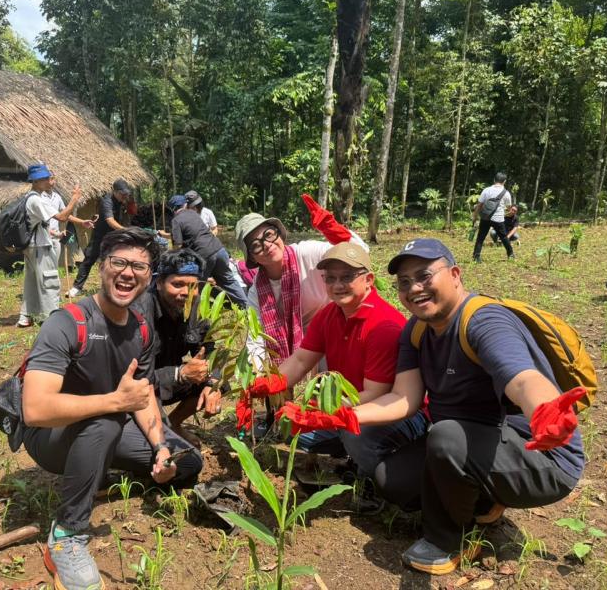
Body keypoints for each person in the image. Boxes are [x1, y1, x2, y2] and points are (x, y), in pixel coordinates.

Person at [351, 238, 584, 575]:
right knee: (392, 479)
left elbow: (523, 380)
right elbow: (404, 398)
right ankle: (485, 501)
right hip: (476, 443)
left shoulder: (484, 321)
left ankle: (447, 541)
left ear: (455, 274)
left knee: (445, 437)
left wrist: (546, 410)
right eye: (404, 282)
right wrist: (342, 416)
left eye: (424, 276)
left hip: (542, 456)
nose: (414, 288)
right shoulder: (417, 329)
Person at [21, 227, 203, 590]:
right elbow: (35, 410)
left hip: (106, 426)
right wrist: (114, 402)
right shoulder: (68, 322)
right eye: (119, 262)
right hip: (50, 437)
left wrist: (161, 447)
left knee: (187, 462)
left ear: (149, 276)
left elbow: (143, 395)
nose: (128, 273)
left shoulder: (141, 330)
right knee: (105, 420)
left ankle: (96, 469)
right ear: (102, 266)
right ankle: (67, 535)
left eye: (139, 266)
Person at [249, 242, 428, 483]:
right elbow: (301, 360)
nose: (337, 285)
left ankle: (376, 479)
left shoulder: (383, 325)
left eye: (346, 277)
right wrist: (268, 384)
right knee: (289, 426)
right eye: (330, 278)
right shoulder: (329, 314)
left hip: (396, 413)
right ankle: (352, 452)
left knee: (355, 434)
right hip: (350, 406)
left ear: (368, 279)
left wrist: (322, 412)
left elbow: (375, 394)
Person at [235, 197, 367, 441]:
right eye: (256, 245)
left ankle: (338, 422)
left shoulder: (307, 253)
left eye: (269, 235)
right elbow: (256, 338)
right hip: (303, 342)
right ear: (252, 257)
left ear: (279, 234)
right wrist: (252, 382)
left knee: (333, 377)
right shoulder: (257, 291)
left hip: (334, 325)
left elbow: (358, 253)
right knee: (268, 360)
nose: (266, 245)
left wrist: (333, 229)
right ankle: (279, 416)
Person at [134, 249, 225, 447]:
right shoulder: (139, 313)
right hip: (142, 387)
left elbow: (209, 348)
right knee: (163, 448)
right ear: (159, 283)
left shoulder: (196, 305)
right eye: (177, 284)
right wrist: (180, 373)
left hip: (172, 380)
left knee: (217, 381)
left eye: (193, 286)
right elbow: (135, 378)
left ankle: (174, 423)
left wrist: (212, 383)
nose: (186, 292)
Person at [17, 164, 82, 328]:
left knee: (32, 282)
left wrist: (56, 234)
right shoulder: (36, 200)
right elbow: (62, 217)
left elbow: (40, 225)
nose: (49, 181)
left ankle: (26, 316)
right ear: (36, 181)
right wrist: (74, 199)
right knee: (49, 281)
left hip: (32, 246)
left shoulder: (30, 197)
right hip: (40, 247)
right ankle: (51, 319)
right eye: (45, 179)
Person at [168, 194, 248, 307]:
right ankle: (248, 308)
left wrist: (173, 260)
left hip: (203, 255)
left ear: (173, 209)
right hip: (219, 249)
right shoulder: (193, 214)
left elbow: (178, 245)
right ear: (185, 205)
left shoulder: (176, 220)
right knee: (228, 281)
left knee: (196, 284)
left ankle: (192, 312)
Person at [67, 178, 135, 298]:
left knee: (114, 261)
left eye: (126, 194)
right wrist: (125, 230)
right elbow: (110, 220)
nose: (124, 196)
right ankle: (76, 287)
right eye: (122, 194)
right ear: (115, 191)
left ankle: (111, 286)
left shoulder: (122, 201)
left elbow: (129, 213)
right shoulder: (107, 201)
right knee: (89, 259)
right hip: (100, 236)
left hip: (115, 236)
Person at [472, 172, 514, 262]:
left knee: (480, 238)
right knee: (504, 237)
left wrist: (475, 216)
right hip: (498, 219)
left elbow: (479, 205)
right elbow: (509, 208)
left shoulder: (486, 190)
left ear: (494, 180)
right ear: (504, 181)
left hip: (485, 217)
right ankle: (511, 254)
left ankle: (476, 257)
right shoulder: (506, 193)